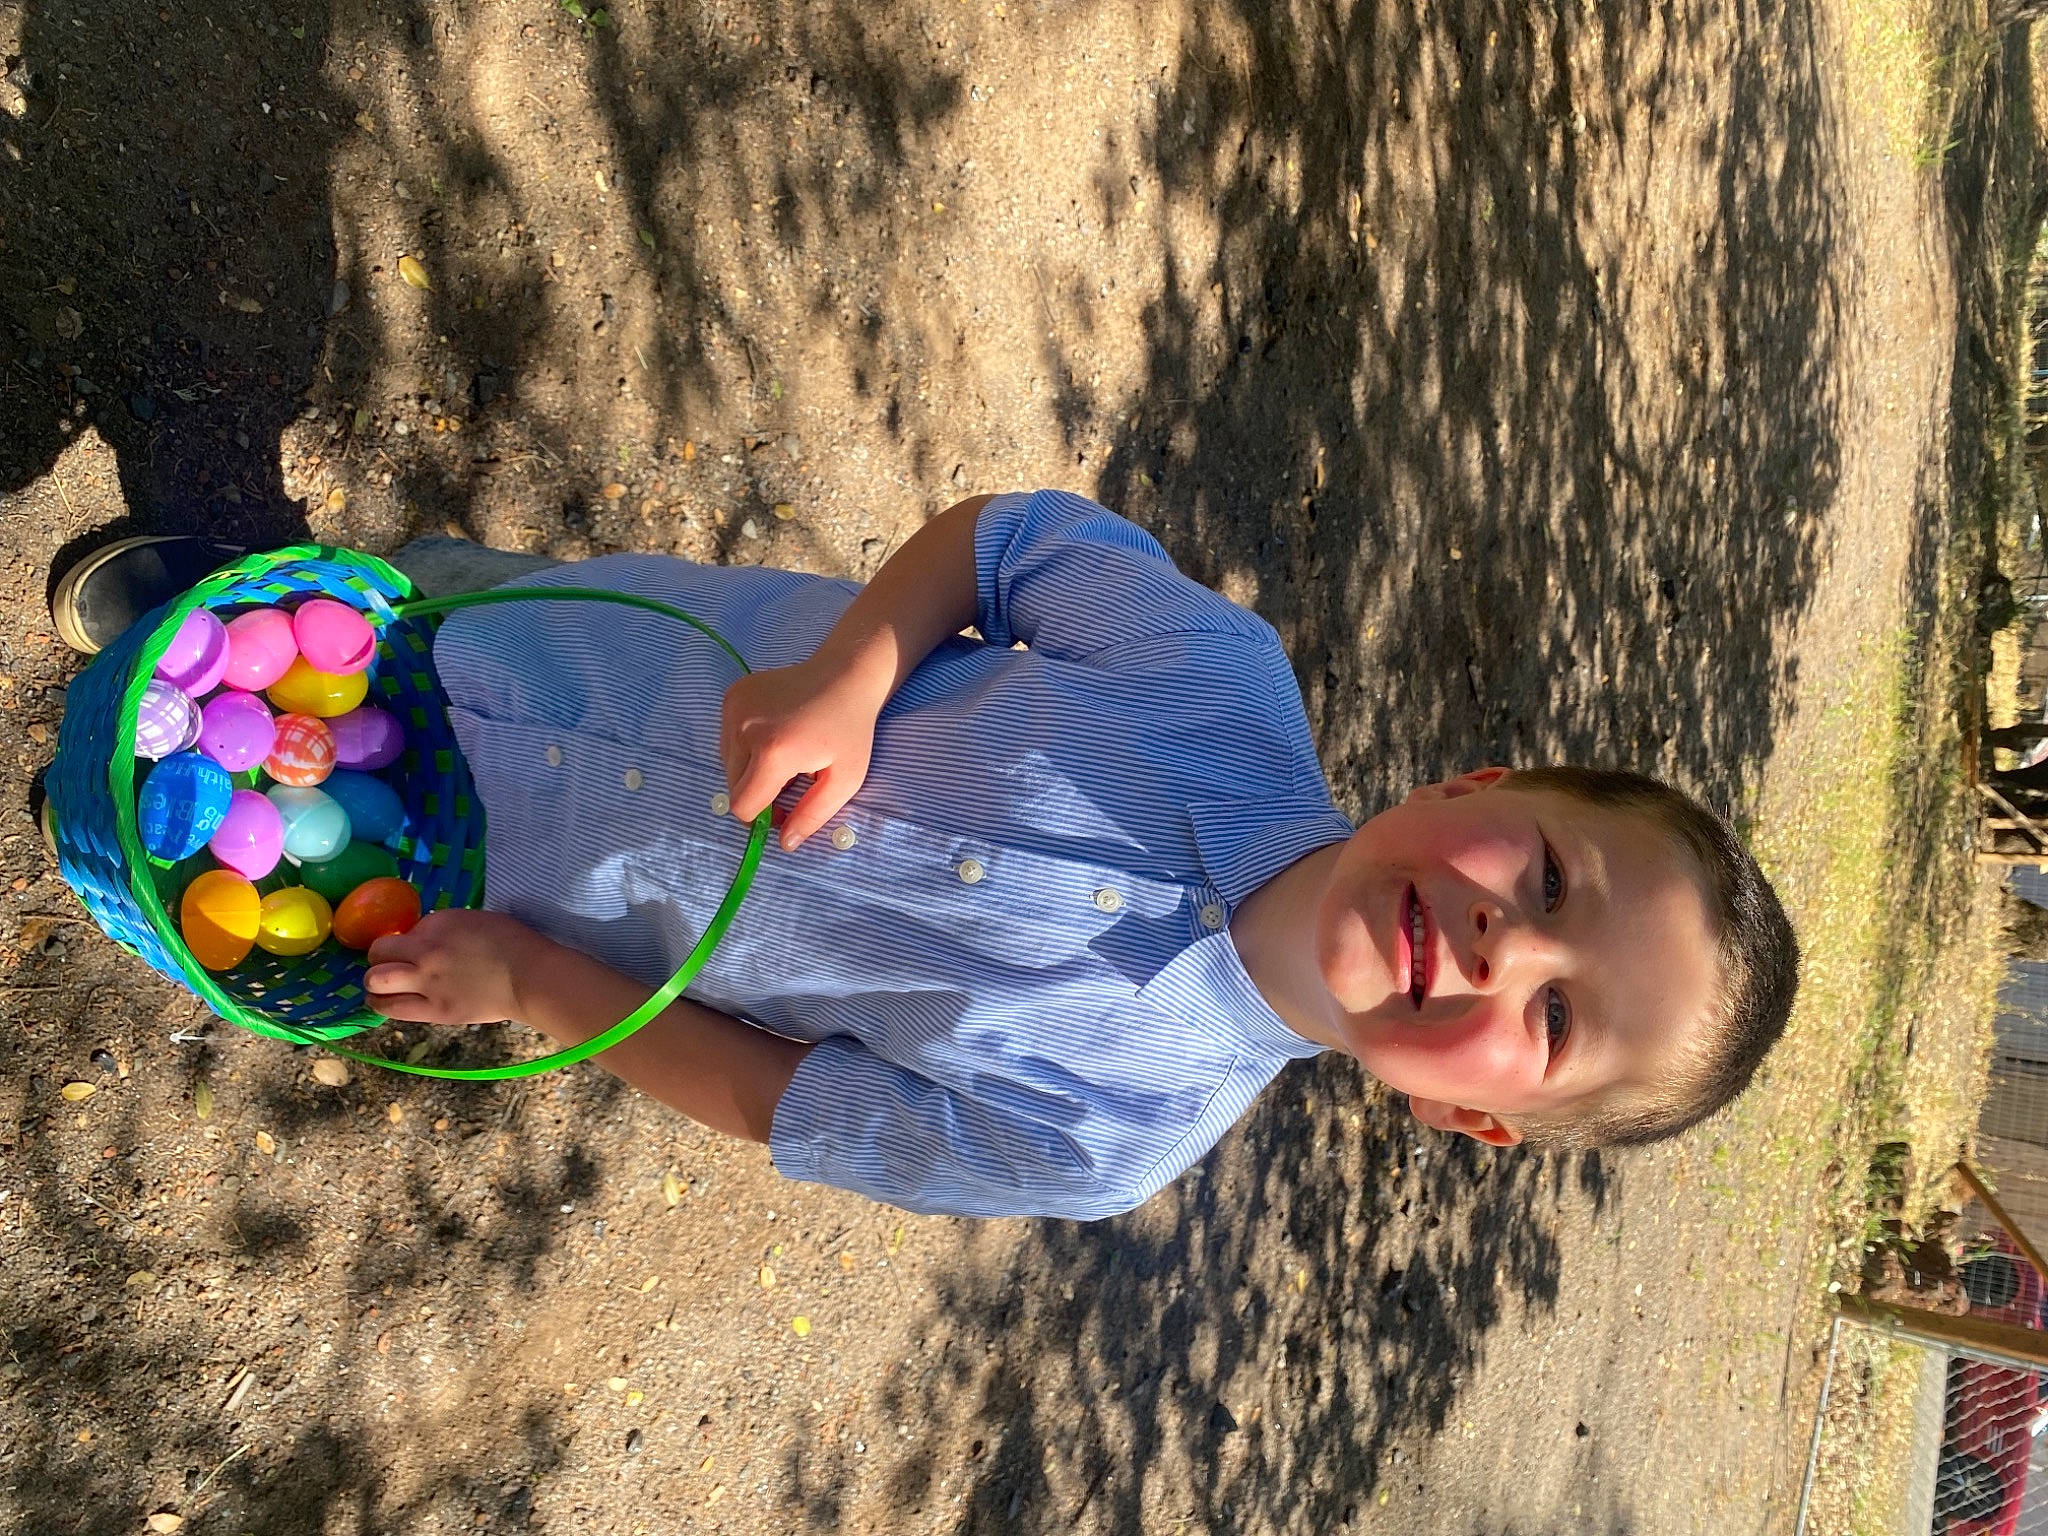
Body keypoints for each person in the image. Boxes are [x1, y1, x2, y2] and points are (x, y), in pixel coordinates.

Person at [51, 490, 1800, 1219]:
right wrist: (848, 674)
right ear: (1484, 780)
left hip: (492, 873)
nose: (1507, 946)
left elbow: (779, 1098)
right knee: (381, 608)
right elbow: (1013, 545)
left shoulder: (1108, 1143)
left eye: (1557, 1021)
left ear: (1470, 1116)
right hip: (582, 640)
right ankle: (205, 617)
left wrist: (544, 982)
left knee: (154, 824)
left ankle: (112, 756)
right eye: (1553, 879)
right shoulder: (1221, 684)